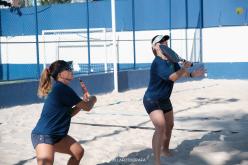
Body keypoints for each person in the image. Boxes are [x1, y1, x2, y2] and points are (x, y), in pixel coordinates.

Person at [143, 35, 205, 165]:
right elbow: (173, 77)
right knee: (160, 127)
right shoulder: (157, 63)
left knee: (169, 126)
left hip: (165, 99)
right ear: (155, 47)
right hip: (152, 99)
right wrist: (184, 68)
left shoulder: (172, 60)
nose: (165, 43)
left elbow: (182, 73)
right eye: (161, 42)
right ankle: (156, 161)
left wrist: (192, 74)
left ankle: (165, 150)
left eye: (166, 41)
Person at [31, 60, 96, 165]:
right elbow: (88, 107)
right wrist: (93, 98)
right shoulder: (62, 88)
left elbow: (69, 113)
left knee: (78, 152)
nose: (71, 70)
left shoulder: (61, 88)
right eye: (68, 69)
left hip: (57, 135)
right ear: (60, 74)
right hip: (44, 135)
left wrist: (81, 104)